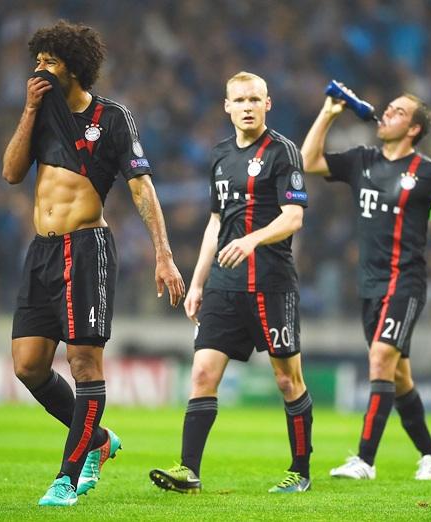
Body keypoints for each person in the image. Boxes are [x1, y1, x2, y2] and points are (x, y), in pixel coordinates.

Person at [1, 20, 185, 506]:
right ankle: (99, 441)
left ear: (74, 68)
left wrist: (163, 256)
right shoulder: (41, 116)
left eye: (50, 62)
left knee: (84, 363)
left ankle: (66, 477)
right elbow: (12, 173)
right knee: (27, 366)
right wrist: (29, 109)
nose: (39, 68)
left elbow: (142, 189)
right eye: (37, 60)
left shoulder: (114, 118)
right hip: (41, 252)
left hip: (86, 250)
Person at [149, 71, 313, 495]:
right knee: (203, 372)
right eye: (239, 100)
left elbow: (294, 217)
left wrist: (252, 240)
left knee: (286, 380)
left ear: (267, 104)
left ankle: (300, 470)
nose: (246, 107)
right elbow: (215, 222)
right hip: (224, 283)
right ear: (226, 106)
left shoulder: (283, 152)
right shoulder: (220, 155)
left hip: (271, 283)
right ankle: (189, 471)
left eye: (254, 100)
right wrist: (199, 280)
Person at [301, 89, 431, 480]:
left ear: (413, 129)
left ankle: (365, 460)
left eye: (396, 112)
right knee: (398, 376)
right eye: (388, 109)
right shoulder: (362, 160)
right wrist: (328, 114)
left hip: (405, 284)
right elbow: (309, 160)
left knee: (379, 359)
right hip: (369, 285)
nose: (385, 115)